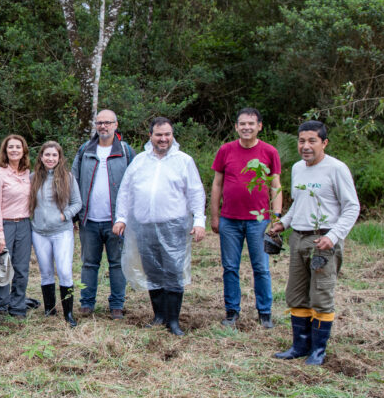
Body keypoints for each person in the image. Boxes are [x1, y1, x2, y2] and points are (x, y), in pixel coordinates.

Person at [270, 121, 359, 366]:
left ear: (324, 143)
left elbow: (352, 207)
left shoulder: (336, 169)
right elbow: (299, 204)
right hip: (298, 238)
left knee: (320, 295)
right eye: (301, 141)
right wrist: (284, 223)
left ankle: (318, 351)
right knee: (296, 294)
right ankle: (299, 346)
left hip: (324, 239)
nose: (305, 146)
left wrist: (333, 236)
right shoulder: (298, 168)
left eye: (312, 141)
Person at [113, 118, 206, 336]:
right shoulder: (140, 161)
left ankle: (173, 321)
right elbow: (126, 191)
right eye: (158, 135)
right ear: (150, 136)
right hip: (144, 226)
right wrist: (121, 218)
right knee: (152, 271)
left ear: (172, 135)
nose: (163, 139)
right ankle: (159, 316)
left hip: (173, 226)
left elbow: (195, 191)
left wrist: (199, 220)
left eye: (167, 134)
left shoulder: (184, 161)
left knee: (173, 272)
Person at [210, 107, 283, 329]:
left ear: (259, 126)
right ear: (236, 127)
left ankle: (265, 313)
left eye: (251, 124)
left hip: (259, 221)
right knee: (230, 267)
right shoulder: (226, 150)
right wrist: (215, 215)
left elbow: (275, 186)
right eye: (242, 124)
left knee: (261, 267)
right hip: (229, 220)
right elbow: (217, 183)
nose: (246, 127)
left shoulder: (269, 152)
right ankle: (232, 312)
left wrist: (276, 218)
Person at [72, 109, 136, 319]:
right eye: (99, 123)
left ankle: (117, 305)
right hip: (88, 220)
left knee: (117, 264)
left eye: (108, 123)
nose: (103, 126)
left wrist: (126, 217)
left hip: (116, 221)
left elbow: (135, 184)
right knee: (89, 263)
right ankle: (86, 304)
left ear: (116, 125)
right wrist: (75, 215)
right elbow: (73, 182)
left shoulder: (125, 151)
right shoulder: (85, 150)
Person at [30, 142, 82, 327]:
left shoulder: (68, 178)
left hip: (61, 232)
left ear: (59, 158)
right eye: (47, 155)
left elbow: (77, 203)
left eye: (54, 155)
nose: (50, 159)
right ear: (41, 157)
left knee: (65, 272)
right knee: (45, 273)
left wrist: (65, 215)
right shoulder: (33, 178)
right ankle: (49, 310)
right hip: (39, 233)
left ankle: (68, 313)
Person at [0, 134, 32, 319]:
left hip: (24, 224)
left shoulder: (28, 174)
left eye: (18, 147)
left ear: (24, 151)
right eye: (10, 147)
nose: (14, 150)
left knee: (21, 269)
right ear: (5, 151)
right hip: (4, 224)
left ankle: (18, 306)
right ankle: (0, 306)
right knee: (2, 268)